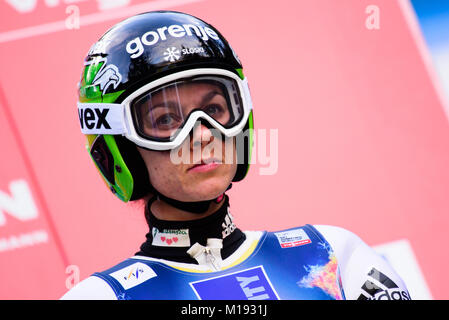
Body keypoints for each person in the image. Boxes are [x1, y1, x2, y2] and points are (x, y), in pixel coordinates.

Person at [62, 10, 410, 300]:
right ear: (119, 146)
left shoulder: (333, 253)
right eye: (166, 120)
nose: (201, 134)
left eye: (214, 108)